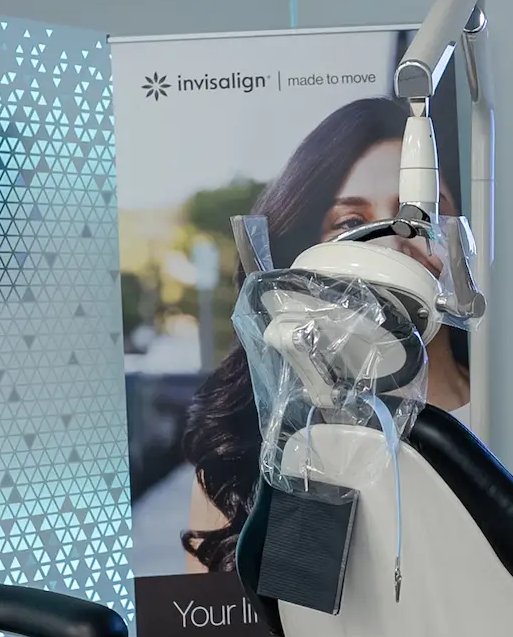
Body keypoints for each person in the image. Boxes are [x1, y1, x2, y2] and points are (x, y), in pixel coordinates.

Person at [180, 96, 468, 572]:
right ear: (306, 251)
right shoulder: (245, 453)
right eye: (352, 223)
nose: (392, 243)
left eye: (421, 215)